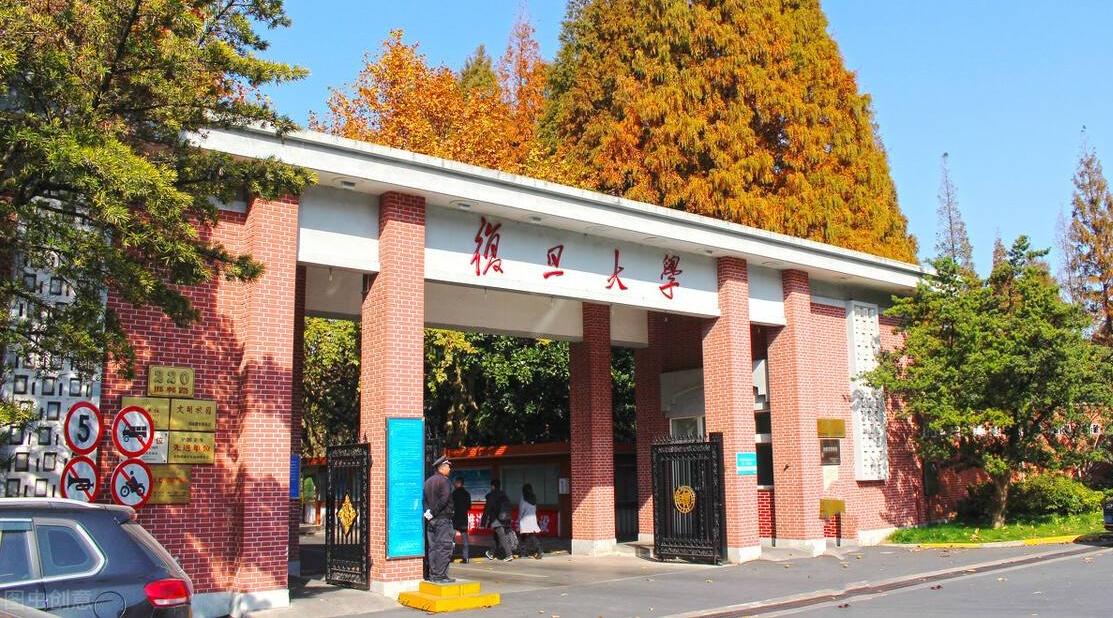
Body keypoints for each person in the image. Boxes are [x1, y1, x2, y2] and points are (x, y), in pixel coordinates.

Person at [423, 455, 455, 583]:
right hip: (442, 519)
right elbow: (444, 499)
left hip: (431, 520)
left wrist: (428, 512)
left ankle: (433, 574)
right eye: (448, 466)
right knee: (444, 547)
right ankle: (439, 575)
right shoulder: (444, 481)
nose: (449, 469)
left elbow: (425, 500)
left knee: (433, 547)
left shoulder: (428, 481)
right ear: (442, 468)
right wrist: (434, 512)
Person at [480, 479, 514, 561]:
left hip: (496, 520)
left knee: (501, 536)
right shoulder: (504, 495)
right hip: (505, 518)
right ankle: (491, 553)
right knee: (496, 537)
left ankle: (509, 554)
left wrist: (483, 522)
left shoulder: (491, 495)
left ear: (493, 486)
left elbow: (487, 509)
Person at [517, 483, 543, 559]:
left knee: (525, 536)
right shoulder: (533, 497)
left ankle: (536, 551)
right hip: (532, 518)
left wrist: (519, 518)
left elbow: (521, 509)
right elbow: (535, 509)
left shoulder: (523, 498)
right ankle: (526, 552)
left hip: (525, 519)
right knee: (529, 536)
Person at [451, 477, 472, 563]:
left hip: (455, 518)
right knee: (465, 539)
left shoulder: (454, 494)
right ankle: (466, 557)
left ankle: (450, 556)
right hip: (463, 519)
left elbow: (451, 506)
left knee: (451, 538)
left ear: (458, 483)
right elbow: (469, 506)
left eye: (455, 483)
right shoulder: (467, 494)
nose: (454, 484)